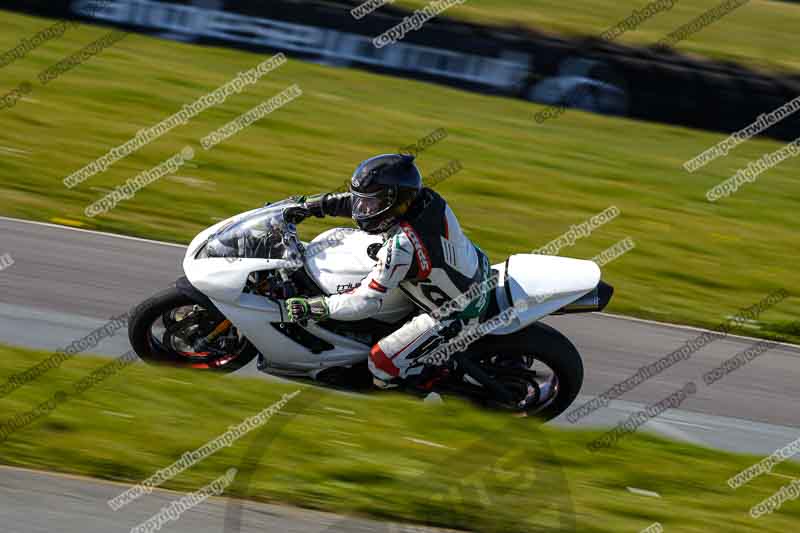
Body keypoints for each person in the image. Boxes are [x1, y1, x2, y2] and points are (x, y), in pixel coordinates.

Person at [284, 153, 493, 389]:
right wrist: (313, 206)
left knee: (381, 364)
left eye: (370, 203)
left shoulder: (402, 245)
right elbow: (358, 205)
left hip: (455, 313)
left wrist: (318, 306)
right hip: (473, 272)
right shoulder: (426, 198)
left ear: (395, 201)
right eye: (362, 200)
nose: (362, 209)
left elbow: (367, 302)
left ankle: (428, 381)